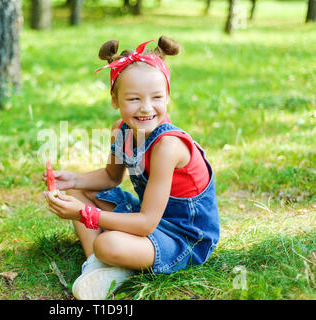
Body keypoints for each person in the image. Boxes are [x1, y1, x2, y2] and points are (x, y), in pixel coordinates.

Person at [42, 36, 220, 300]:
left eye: (157, 97)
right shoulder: (122, 130)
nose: (146, 108)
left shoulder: (167, 146)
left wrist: (86, 215)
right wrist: (72, 181)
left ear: (168, 97)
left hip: (183, 237)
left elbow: (147, 224)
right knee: (76, 197)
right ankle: (100, 269)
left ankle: (108, 260)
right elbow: (110, 178)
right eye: (134, 99)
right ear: (115, 100)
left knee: (106, 241)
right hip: (149, 216)